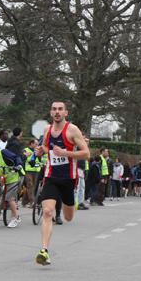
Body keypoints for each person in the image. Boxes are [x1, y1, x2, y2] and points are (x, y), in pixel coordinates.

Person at [34, 101, 90, 265]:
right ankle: (44, 251)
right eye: (54, 109)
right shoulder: (47, 130)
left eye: (60, 109)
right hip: (51, 176)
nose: (57, 112)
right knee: (47, 212)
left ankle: (71, 205)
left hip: (68, 179)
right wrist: (40, 151)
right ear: (51, 112)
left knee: (68, 217)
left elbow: (86, 154)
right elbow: (46, 147)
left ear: (66, 113)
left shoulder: (72, 130)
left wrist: (66, 153)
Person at [22, 139, 40, 208]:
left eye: (38, 144)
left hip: (36, 170)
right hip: (28, 171)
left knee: (33, 187)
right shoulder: (25, 150)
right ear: (31, 144)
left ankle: (24, 202)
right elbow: (23, 158)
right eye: (36, 144)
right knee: (30, 185)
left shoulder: (38, 150)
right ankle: (32, 202)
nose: (37, 145)